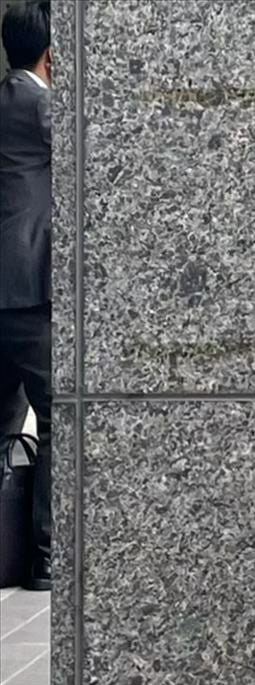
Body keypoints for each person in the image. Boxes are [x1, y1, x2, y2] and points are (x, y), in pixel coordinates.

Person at [0, 1, 52, 592]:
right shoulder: (41, 107)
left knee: (4, 420)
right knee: (55, 419)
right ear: (51, 55)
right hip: (31, 292)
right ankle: (44, 557)